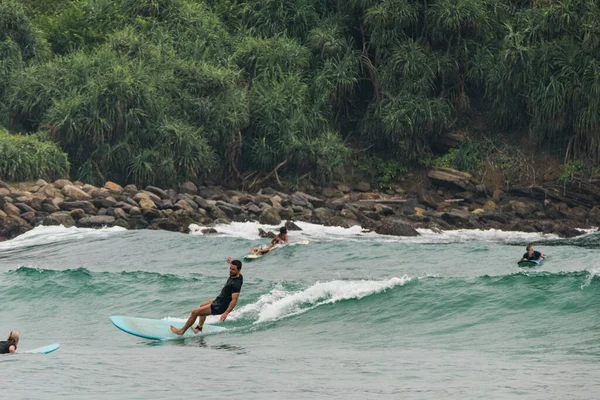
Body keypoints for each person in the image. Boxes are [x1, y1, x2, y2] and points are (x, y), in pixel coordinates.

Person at [170, 257, 243, 336]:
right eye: (230, 268)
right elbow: (235, 268)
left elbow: (234, 300)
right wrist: (231, 262)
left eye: (233, 269)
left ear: (238, 270)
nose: (230, 271)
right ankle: (199, 328)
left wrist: (226, 313)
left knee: (195, 312)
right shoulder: (238, 275)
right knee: (202, 306)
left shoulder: (236, 284)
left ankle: (181, 331)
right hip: (219, 299)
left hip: (220, 305)